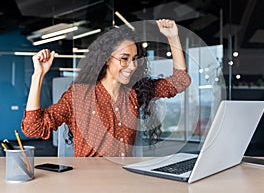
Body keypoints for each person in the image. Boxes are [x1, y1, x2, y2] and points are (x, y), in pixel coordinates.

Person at [21, 19, 191, 157]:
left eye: (135, 59)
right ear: (107, 58)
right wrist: (38, 75)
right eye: (124, 58)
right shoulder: (80, 95)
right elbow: (33, 128)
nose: (132, 66)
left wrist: (173, 38)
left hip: (124, 181)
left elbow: (180, 81)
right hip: (89, 184)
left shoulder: (136, 92)